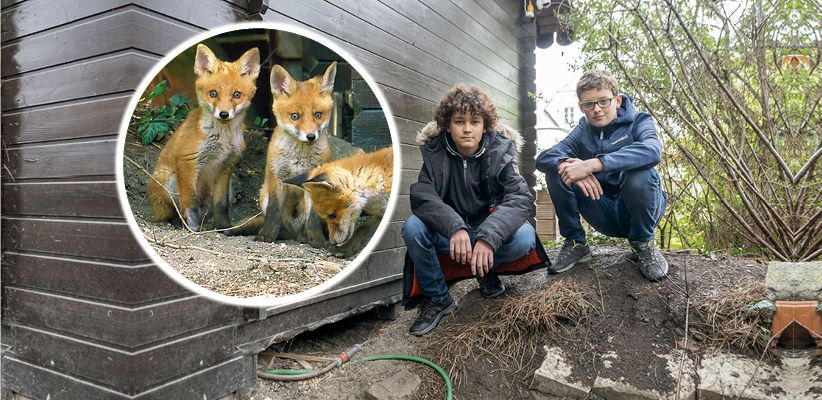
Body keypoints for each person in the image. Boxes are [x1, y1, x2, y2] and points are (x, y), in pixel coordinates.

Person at [403, 84, 536, 336]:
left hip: (488, 232)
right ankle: (438, 298)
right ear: (447, 125)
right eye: (459, 121)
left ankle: (486, 272)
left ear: (484, 125)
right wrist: (454, 226)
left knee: (525, 237)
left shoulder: (501, 151)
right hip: (451, 235)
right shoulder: (435, 152)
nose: (466, 129)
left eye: (474, 121)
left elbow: (520, 198)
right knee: (413, 227)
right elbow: (422, 195)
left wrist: (488, 237)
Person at [536, 70, 668, 281]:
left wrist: (593, 165)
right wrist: (568, 166)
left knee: (640, 174)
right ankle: (576, 243)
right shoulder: (583, 130)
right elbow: (544, 158)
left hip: (638, 210)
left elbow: (652, 151)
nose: (596, 109)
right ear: (582, 107)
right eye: (589, 104)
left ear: (616, 99)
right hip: (603, 210)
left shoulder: (639, 121)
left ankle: (643, 244)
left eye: (603, 101)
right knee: (559, 170)